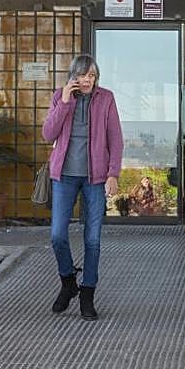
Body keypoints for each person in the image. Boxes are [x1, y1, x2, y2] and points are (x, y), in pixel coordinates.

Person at [42, 55, 123, 321]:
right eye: (83, 75)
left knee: (93, 239)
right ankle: (68, 282)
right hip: (64, 176)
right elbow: (48, 134)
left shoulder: (106, 98)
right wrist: (65, 101)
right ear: (73, 76)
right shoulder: (60, 97)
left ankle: (87, 293)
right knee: (57, 235)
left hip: (95, 179)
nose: (87, 80)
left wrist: (113, 174)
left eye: (92, 76)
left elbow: (116, 140)